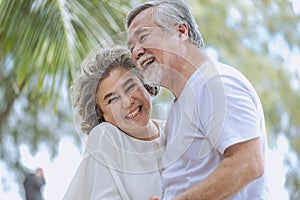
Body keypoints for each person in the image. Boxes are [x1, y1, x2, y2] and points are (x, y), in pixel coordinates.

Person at [126, 0, 269, 199]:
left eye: (143, 37)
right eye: (131, 47)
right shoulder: (181, 106)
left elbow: (248, 163)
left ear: (181, 31)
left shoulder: (215, 84)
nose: (136, 52)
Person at [63, 46, 165, 200]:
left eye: (130, 87)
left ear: (145, 82)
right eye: (112, 99)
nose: (127, 102)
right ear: (101, 114)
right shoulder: (105, 137)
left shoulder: (174, 130)